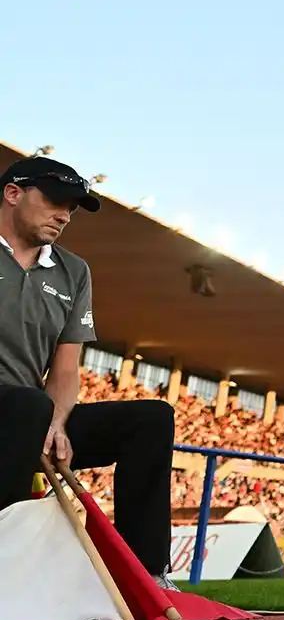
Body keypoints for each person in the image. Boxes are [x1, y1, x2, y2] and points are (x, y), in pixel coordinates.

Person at [0, 156, 178, 587]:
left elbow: (65, 366)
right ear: (12, 193)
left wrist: (56, 424)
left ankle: (147, 575)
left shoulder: (73, 272)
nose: (64, 214)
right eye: (56, 201)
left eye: (73, 207)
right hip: (15, 410)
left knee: (151, 419)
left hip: (32, 415)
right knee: (26, 406)